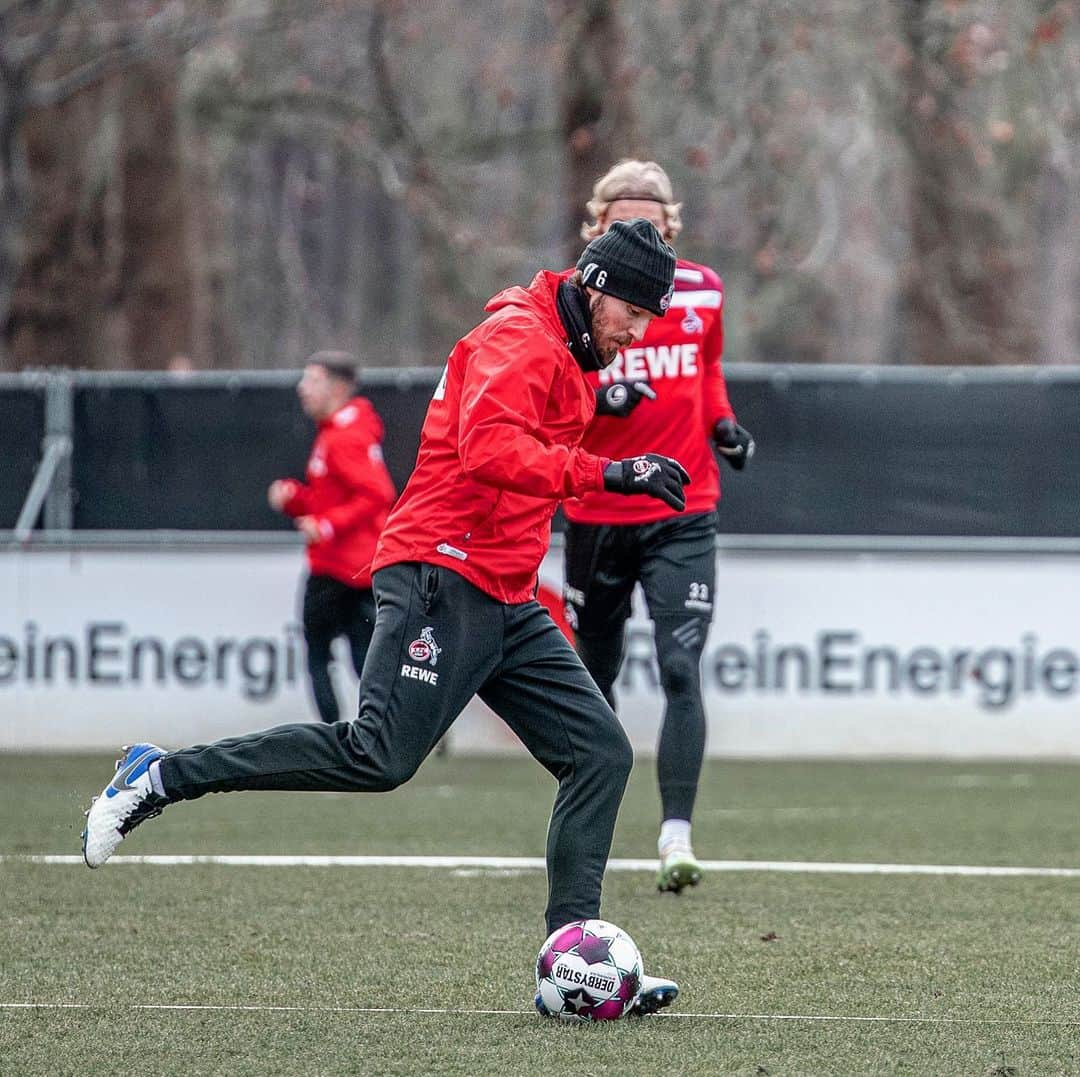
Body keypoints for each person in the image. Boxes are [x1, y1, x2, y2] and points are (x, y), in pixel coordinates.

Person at [81, 219, 689, 1017]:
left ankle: (575, 961)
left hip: (504, 589)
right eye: (636, 314)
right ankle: (156, 777)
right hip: (440, 572)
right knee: (377, 753)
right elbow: (487, 450)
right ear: (599, 286)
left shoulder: (565, 349)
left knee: (601, 752)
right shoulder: (522, 336)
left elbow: (528, 437)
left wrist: (614, 416)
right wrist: (612, 470)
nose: (640, 332)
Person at [562, 160, 755, 895]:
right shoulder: (575, 299)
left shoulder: (703, 289)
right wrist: (602, 398)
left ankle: (677, 834)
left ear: (671, 226)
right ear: (597, 231)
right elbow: (554, 388)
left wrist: (723, 423)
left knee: (680, 666)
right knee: (593, 680)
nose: (638, 232)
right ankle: (593, 828)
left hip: (682, 508)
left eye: (650, 221)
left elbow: (706, 368)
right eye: (619, 225)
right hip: (597, 508)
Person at [268, 353, 396, 724]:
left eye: (312, 381)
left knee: (319, 655)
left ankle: (335, 738)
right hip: (359, 567)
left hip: (338, 567)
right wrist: (296, 499)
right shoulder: (340, 431)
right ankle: (401, 723)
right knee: (363, 656)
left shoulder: (344, 437)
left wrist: (326, 526)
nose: (302, 389)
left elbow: (377, 493)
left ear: (338, 388)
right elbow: (334, 498)